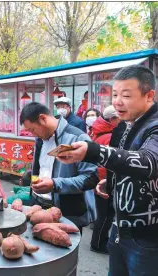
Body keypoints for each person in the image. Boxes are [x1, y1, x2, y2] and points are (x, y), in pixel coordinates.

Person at [57, 65, 158, 276]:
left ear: (149, 96)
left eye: (126, 95)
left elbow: (148, 162)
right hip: (119, 229)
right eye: (114, 94)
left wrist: (93, 151)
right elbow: (124, 160)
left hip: (147, 237)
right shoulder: (125, 124)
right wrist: (112, 182)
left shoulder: (155, 125)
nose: (117, 101)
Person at [20, 102, 98, 232]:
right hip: (38, 205)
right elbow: (41, 168)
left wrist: (55, 184)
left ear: (43, 118)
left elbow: (90, 179)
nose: (33, 134)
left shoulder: (77, 138)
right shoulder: (40, 140)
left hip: (67, 211)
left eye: (32, 129)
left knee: (63, 248)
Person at [89, 105, 119, 254]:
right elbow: (105, 164)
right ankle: (98, 244)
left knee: (104, 214)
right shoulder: (108, 136)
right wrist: (107, 182)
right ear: (112, 119)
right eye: (118, 117)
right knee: (106, 215)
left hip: (100, 179)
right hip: (104, 181)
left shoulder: (99, 131)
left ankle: (99, 241)